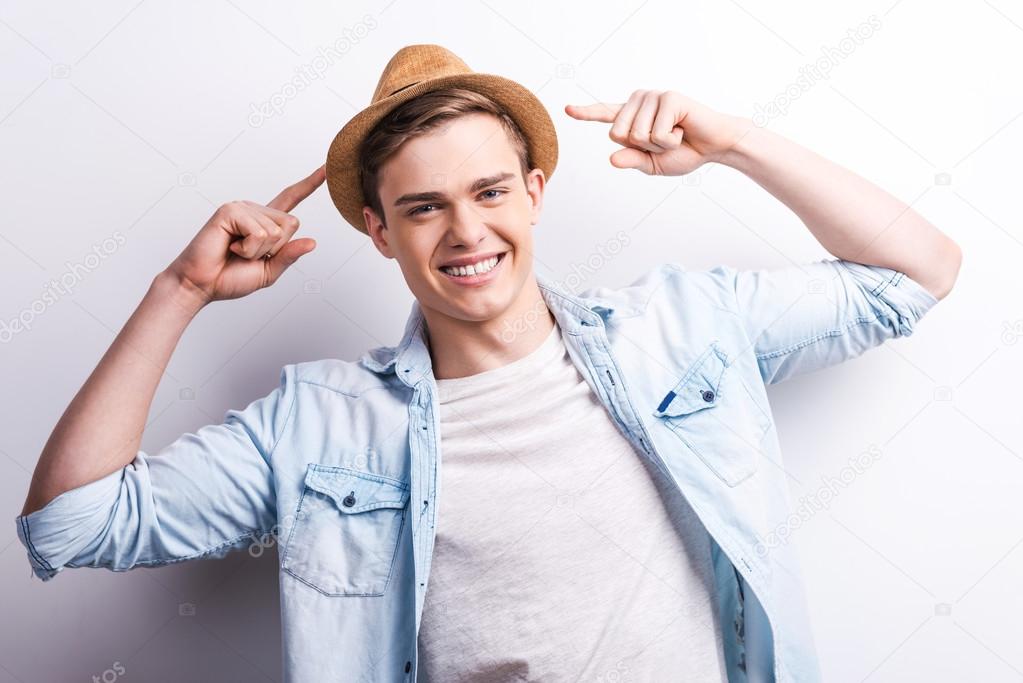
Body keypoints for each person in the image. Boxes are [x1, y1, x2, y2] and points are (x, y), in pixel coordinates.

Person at [15, 43, 961, 682]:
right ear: (379, 232)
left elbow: (914, 275)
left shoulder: (678, 327)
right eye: (423, 206)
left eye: (489, 190)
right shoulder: (321, 426)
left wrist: (737, 143)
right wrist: (178, 290)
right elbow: (70, 525)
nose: (467, 231)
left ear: (533, 192)